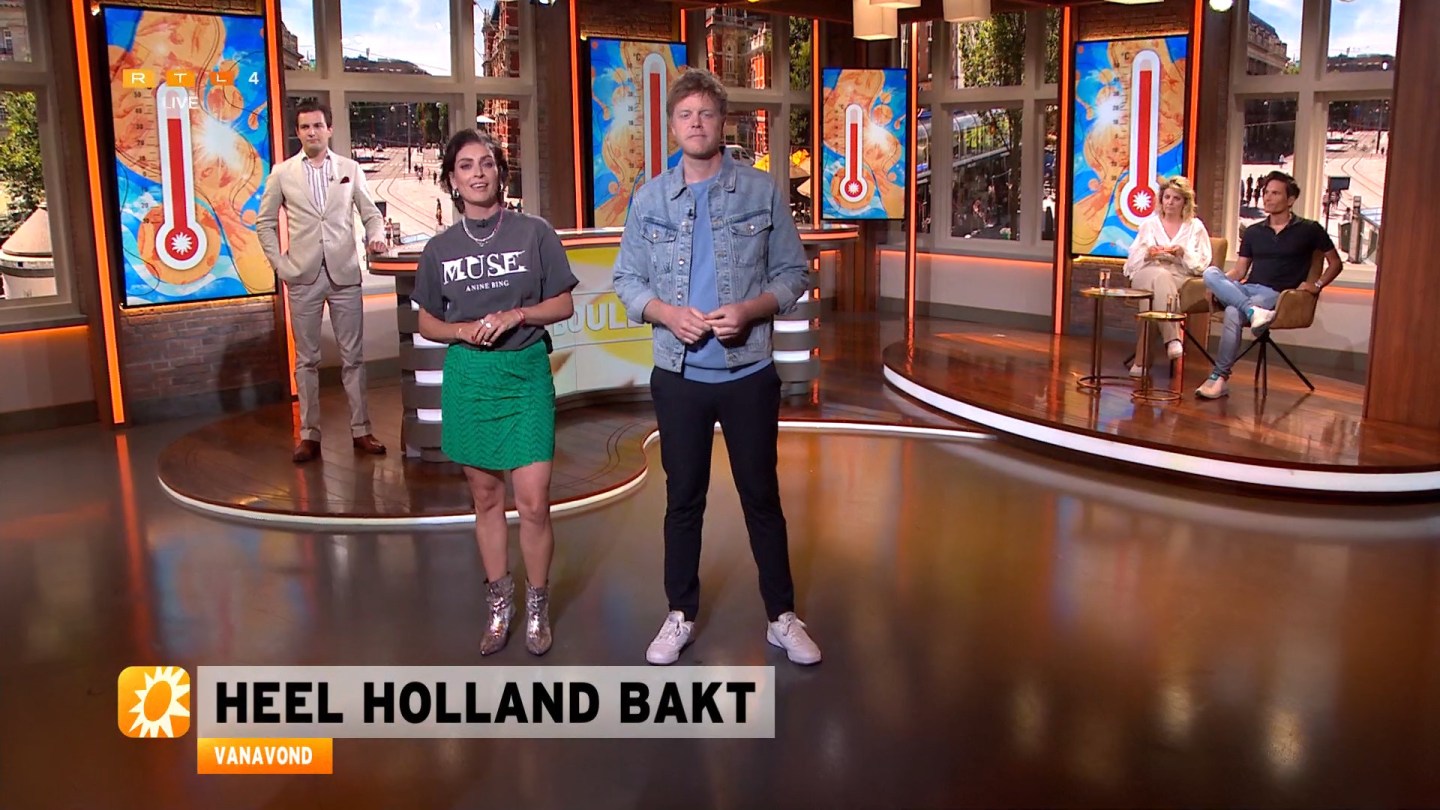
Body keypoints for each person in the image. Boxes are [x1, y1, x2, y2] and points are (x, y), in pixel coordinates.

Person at [612, 69, 821, 667]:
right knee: (683, 500)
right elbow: (626, 280)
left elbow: (794, 273)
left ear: (721, 121)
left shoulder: (761, 190)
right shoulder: (649, 199)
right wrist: (666, 313)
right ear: (672, 125)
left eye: (705, 113)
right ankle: (679, 614)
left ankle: (781, 618)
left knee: (762, 497)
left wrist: (751, 309)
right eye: (686, 115)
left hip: (748, 373)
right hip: (679, 376)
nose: (696, 123)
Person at [411, 129, 577, 655]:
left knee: (533, 502)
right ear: (451, 179)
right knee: (485, 499)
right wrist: (461, 330)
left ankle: (537, 606)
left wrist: (518, 314)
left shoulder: (534, 233)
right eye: (465, 166)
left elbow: (564, 304)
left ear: (500, 172)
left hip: (525, 375)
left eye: (486, 163)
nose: (477, 173)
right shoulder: (440, 248)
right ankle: (499, 607)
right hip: (470, 379)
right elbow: (427, 321)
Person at [257, 100, 389, 464]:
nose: (311, 132)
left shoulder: (350, 169)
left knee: (353, 358)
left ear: (329, 129)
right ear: (297, 132)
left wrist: (376, 237)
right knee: (307, 360)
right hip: (302, 276)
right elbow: (264, 223)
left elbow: (371, 215)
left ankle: (361, 430)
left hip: (344, 274)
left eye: (317, 125)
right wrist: (281, 265)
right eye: (305, 127)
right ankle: (309, 435)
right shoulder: (282, 173)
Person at [1195, 170, 1343, 399]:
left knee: (1233, 311)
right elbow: (1240, 271)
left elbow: (1335, 263)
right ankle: (1252, 312)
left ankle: (1219, 377)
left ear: (1290, 199)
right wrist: (1219, 285)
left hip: (1277, 294)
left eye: (1275, 193)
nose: (1267, 197)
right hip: (1248, 288)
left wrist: (1317, 284)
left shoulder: (1309, 229)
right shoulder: (1253, 231)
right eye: (1266, 193)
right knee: (1211, 273)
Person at [1122, 176, 1212, 375]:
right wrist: (1148, 254)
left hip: (1179, 275)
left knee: (1152, 298)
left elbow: (1202, 263)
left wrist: (1182, 254)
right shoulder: (1149, 225)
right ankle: (1173, 339)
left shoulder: (1195, 227)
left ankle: (1141, 361)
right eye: (1167, 197)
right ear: (1161, 200)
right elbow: (1131, 263)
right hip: (1146, 272)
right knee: (1160, 276)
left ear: (1185, 202)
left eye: (1176, 198)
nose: (1170, 202)